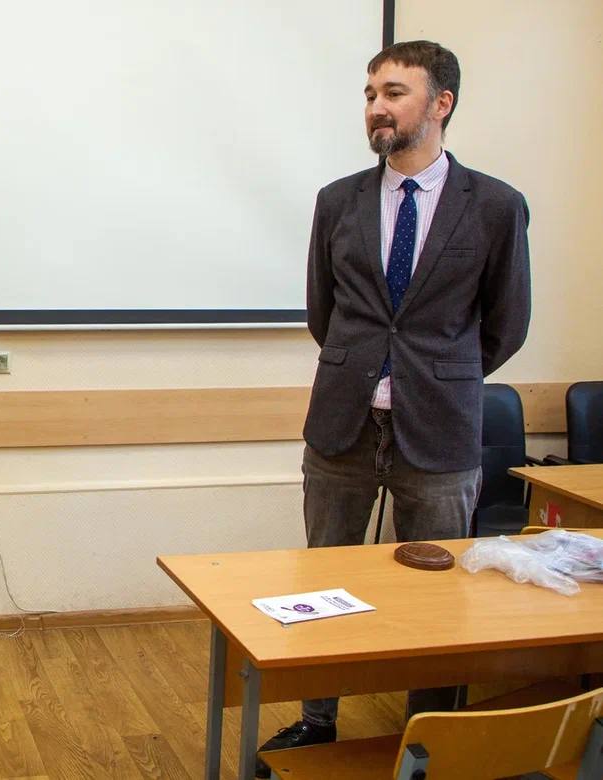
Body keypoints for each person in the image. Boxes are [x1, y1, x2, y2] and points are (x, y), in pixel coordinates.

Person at [255, 41, 531, 778]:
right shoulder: (337, 200)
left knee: (437, 590)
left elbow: (505, 324)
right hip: (343, 423)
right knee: (322, 581)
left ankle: (429, 735)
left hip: (439, 426)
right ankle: (318, 721)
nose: (377, 106)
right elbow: (325, 312)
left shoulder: (495, 205)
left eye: (395, 92)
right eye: (371, 93)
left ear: (441, 103)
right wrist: (368, 370)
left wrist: (435, 375)